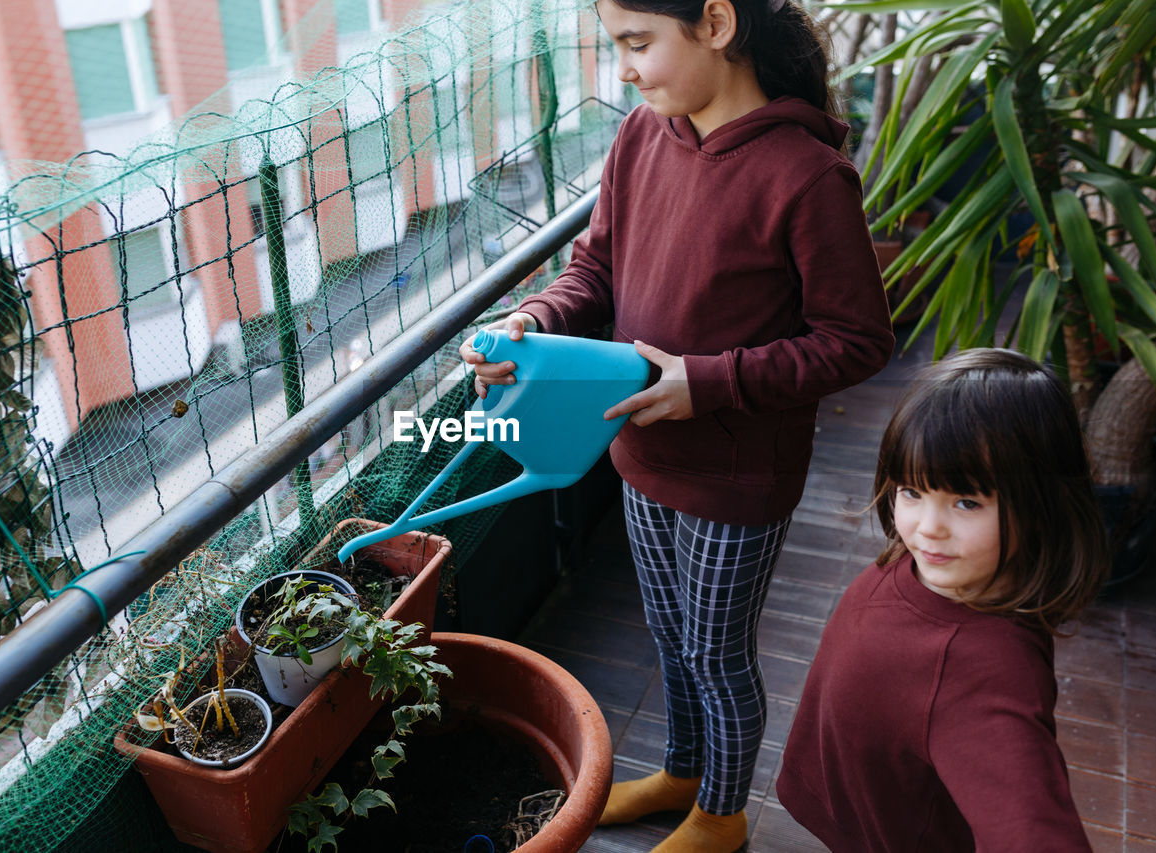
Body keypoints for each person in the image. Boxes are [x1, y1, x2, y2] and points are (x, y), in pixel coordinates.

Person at [461, 0, 894, 849]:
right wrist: (538, 320)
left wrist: (709, 381)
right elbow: (596, 269)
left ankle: (723, 818)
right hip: (637, 449)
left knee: (718, 654)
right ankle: (684, 772)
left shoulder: (807, 176)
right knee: (669, 633)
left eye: (637, 43)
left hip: (738, 476)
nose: (624, 68)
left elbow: (857, 340)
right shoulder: (641, 136)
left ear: (718, 25)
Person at [776, 349, 1109, 852]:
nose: (927, 528)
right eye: (912, 491)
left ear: (1043, 505)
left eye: (966, 502)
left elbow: (1035, 832)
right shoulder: (934, 563)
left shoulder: (989, 673)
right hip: (865, 813)